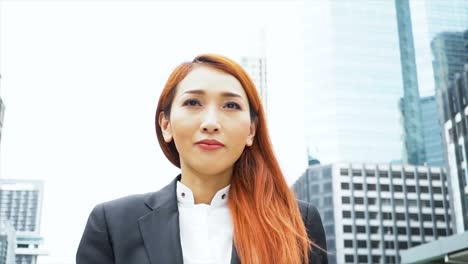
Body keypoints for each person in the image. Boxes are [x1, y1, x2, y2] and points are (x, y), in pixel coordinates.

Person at [76, 54, 327, 264]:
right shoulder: (112, 223)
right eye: (193, 102)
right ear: (166, 124)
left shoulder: (296, 222)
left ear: (251, 130)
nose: (210, 123)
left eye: (230, 106)